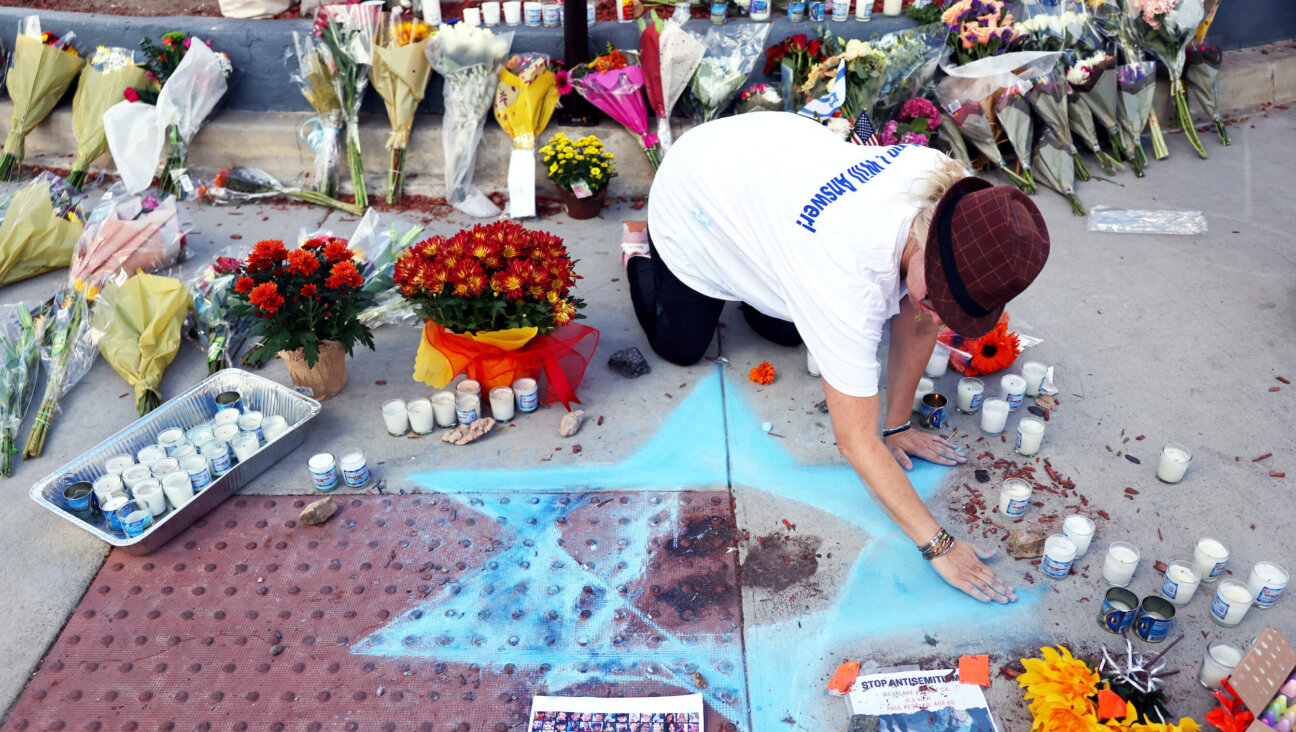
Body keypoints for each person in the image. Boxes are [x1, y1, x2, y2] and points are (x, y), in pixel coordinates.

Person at [629, 113, 1050, 603]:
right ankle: (640, 254)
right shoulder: (844, 281)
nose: (939, 318)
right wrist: (939, 546)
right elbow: (853, 441)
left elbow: (917, 318)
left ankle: (750, 271)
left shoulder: (950, 194)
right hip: (696, 189)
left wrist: (896, 426)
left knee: (783, 332)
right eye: (939, 301)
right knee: (678, 346)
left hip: (771, 171)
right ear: (927, 246)